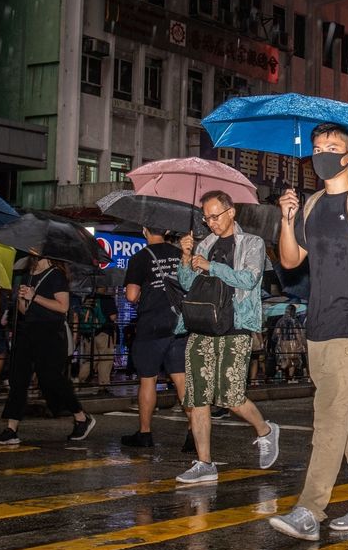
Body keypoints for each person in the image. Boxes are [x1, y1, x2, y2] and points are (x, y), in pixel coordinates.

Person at [269, 123, 348, 540]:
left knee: (327, 417)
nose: (323, 152)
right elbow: (291, 262)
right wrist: (287, 219)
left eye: (333, 147)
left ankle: (309, 510)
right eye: (318, 147)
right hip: (318, 324)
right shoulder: (310, 205)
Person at [174, 192, 280, 483]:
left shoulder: (252, 243)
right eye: (206, 218)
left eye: (215, 215)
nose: (211, 223)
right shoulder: (204, 244)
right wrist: (186, 258)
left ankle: (266, 430)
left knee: (230, 396)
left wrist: (212, 267)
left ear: (231, 212)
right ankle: (205, 463)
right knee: (197, 397)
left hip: (236, 327)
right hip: (202, 326)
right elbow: (187, 285)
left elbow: (249, 279)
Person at [0, 253, 96, 446]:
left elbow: (63, 307)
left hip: (50, 332)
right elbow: (25, 310)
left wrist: (35, 296)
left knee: (51, 378)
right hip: (27, 331)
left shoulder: (56, 275)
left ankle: (81, 417)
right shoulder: (28, 275)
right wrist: (23, 299)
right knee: (18, 379)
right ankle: (11, 429)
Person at [120, 227, 187, 448]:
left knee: (148, 379)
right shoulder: (180, 254)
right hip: (179, 324)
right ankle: (195, 431)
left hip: (151, 326)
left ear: (144, 230)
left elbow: (131, 295)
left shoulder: (140, 258)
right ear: (168, 230)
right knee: (182, 381)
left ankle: (145, 433)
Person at [273, 304, 306, 382]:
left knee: (285, 359)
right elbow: (297, 332)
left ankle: (281, 371)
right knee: (293, 361)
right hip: (293, 341)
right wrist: (301, 343)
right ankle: (290, 378)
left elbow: (277, 332)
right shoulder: (295, 321)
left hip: (283, 342)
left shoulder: (280, 320)